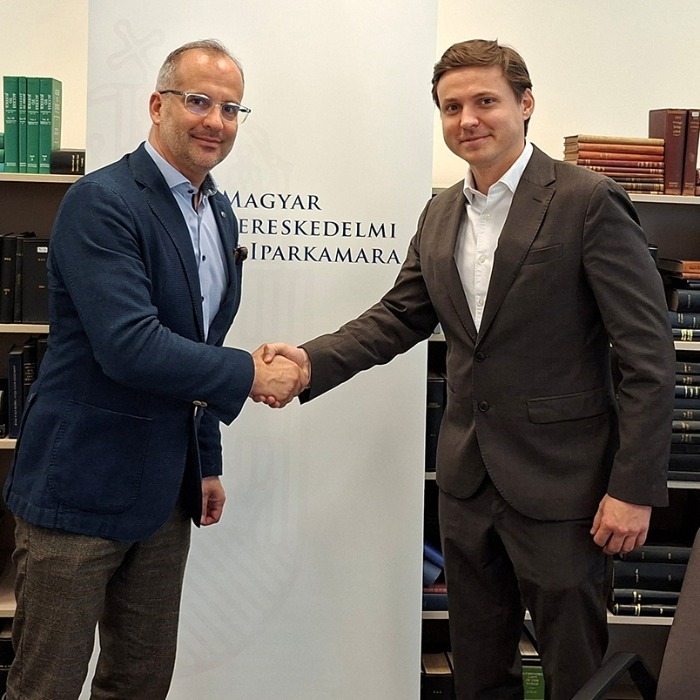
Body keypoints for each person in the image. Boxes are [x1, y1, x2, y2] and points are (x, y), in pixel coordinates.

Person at [258, 39, 675, 699]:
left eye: (485, 101)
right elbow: (399, 315)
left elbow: (647, 357)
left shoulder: (589, 201)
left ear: (526, 104)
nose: (467, 119)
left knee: (575, 674)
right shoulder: (441, 211)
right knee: (478, 671)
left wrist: (633, 488)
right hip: (466, 483)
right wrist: (310, 362)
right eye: (451, 108)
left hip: (566, 488)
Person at [2, 39, 306, 700]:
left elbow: (198, 342)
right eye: (198, 101)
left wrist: (207, 461)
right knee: (46, 685)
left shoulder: (217, 211)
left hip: (166, 492)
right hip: (78, 490)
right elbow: (130, 345)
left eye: (231, 108)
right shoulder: (102, 200)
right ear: (156, 105)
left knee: (140, 683)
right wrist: (250, 375)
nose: (215, 121)